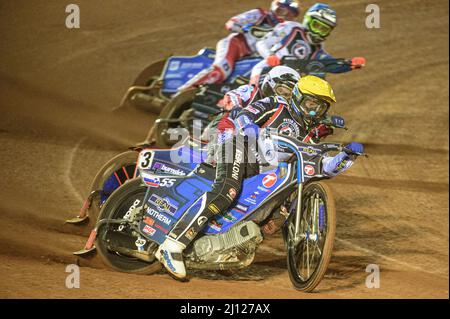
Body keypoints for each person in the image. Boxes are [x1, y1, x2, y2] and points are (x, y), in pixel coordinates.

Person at [155, 75, 364, 280]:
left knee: (276, 215)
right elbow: (244, 115)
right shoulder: (277, 104)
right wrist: (250, 127)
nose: (314, 111)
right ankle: (173, 243)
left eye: (320, 107)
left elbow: (323, 168)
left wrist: (344, 156)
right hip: (239, 147)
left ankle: (222, 248)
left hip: (263, 169)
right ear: (299, 97)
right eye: (311, 103)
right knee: (226, 191)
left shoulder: (313, 133)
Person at [177, 0, 301, 91]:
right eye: (283, 11)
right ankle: (182, 91)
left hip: (252, 57)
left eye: (289, 15)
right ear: (276, 7)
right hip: (236, 45)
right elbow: (231, 23)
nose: (284, 16)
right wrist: (244, 28)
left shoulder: (283, 31)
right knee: (221, 71)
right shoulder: (259, 14)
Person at [249, 3, 366, 84]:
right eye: (316, 26)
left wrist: (349, 64)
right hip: (268, 69)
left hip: (288, 80)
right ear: (308, 21)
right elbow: (262, 43)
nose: (319, 32)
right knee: (257, 77)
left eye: (323, 29)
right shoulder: (291, 28)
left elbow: (327, 64)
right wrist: (270, 56)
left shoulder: (318, 48)